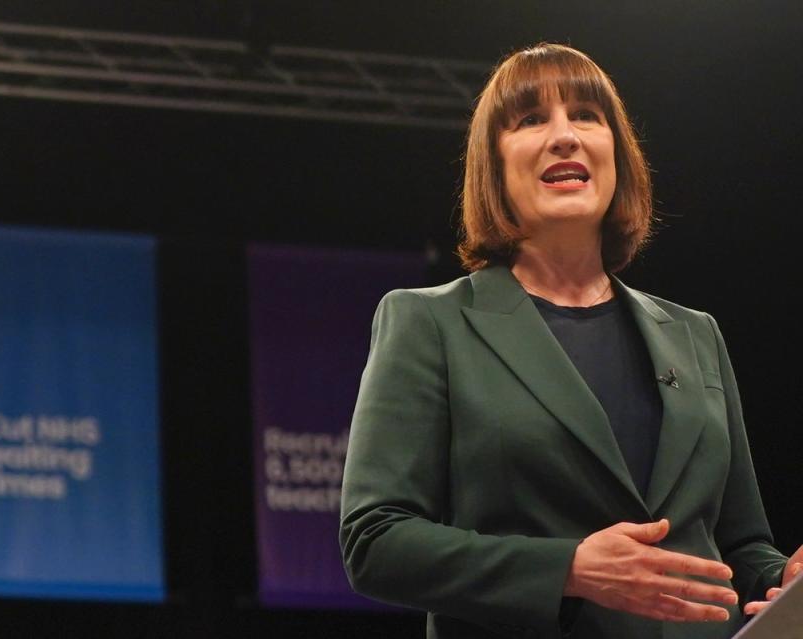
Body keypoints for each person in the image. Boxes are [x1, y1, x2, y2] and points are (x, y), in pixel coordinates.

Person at [339, 43, 802, 639]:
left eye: (586, 115)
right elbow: (375, 539)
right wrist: (569, 569)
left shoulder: (695, 334)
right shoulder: (428, 323)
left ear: (617, 153)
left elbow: (740, 545)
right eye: (532, 119)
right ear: (494, 166)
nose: (565, 136)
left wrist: (784, 578)